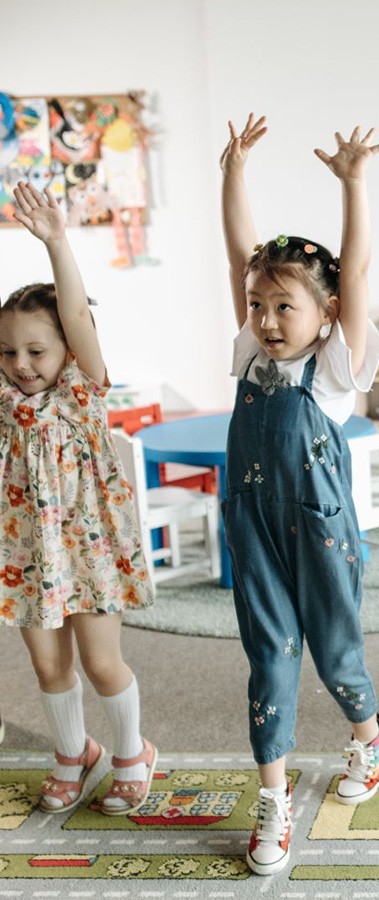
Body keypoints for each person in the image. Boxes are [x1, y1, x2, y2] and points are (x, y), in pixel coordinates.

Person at [219, 115, 379, 876]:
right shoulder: (250, 352)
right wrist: (233, 172)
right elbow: (239, 257)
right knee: (271, 658)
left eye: (284, 307)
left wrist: (353, 185)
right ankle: (274, 799)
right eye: (259, 306)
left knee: (336, 653)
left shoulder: (329, 372)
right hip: (254, 527)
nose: (266, 319)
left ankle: (368, 736)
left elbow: (352, 273)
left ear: (323, 318)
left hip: (319, 531)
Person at [1, 181, 156, 817]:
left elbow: (77, 315)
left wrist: (57, 242)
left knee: (100, 661)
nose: (22, 363)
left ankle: (130, 753)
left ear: (65, 350)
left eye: (36, 350)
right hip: (28, 552)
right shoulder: (4, 399)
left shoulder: (81, 390)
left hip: (90, 548)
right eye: (8, 351)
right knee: (48, 668)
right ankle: (74, 753)